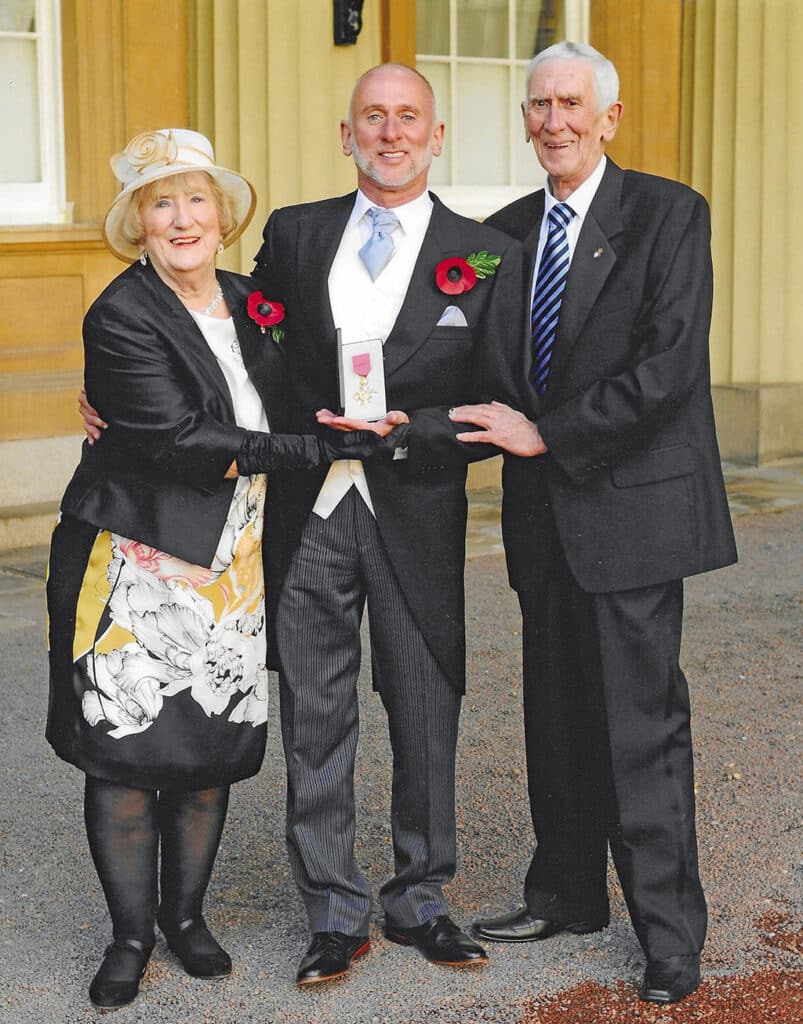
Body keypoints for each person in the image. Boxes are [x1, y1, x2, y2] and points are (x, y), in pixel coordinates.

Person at [48, 128, 379, 1010]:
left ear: (224, 218)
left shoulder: (251, 299)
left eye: (196, 200)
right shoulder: (120, 313)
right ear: (139, 225)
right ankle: (129, 936)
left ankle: (186, 920)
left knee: (205, 746)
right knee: (123, 753)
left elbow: (312, 368)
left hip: (233, 560)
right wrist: (321, 447)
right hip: (135, 561)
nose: (182, 218)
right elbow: (185, 441)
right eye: (162, 204)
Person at [449, 41, 737, 1005]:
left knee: (640, 726)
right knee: (557, 714)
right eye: (538, 105)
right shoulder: (500, 233)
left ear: (608, 117)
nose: (554, 121)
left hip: (631, 511)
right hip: (542, 521)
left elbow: (665, 369)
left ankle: (668, 933)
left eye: (572, 104)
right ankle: (567, 893)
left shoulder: (667, 213)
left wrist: (545, 435)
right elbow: (453, 361)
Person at [251, 63, 524, 985]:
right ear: (346, 133)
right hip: (311, 509)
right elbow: (244, 351)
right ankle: (332, 909)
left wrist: (423, 429)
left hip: (413, 509)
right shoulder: (292, 235)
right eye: (374, 117)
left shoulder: (481, 252)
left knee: (422, 706)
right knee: (313, 716)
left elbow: (504, 403)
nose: (391, 132)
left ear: (436, 135)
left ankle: (421, 896)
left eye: (409, 117)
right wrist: (124, 398)